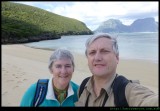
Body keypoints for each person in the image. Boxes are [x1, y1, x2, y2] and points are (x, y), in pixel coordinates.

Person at [75, 33, 158, 106]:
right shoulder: (83, 87)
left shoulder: (128, 92)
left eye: (104, 51)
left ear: (117, 58)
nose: (97, 58)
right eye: (92, 52)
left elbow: (149, 100)